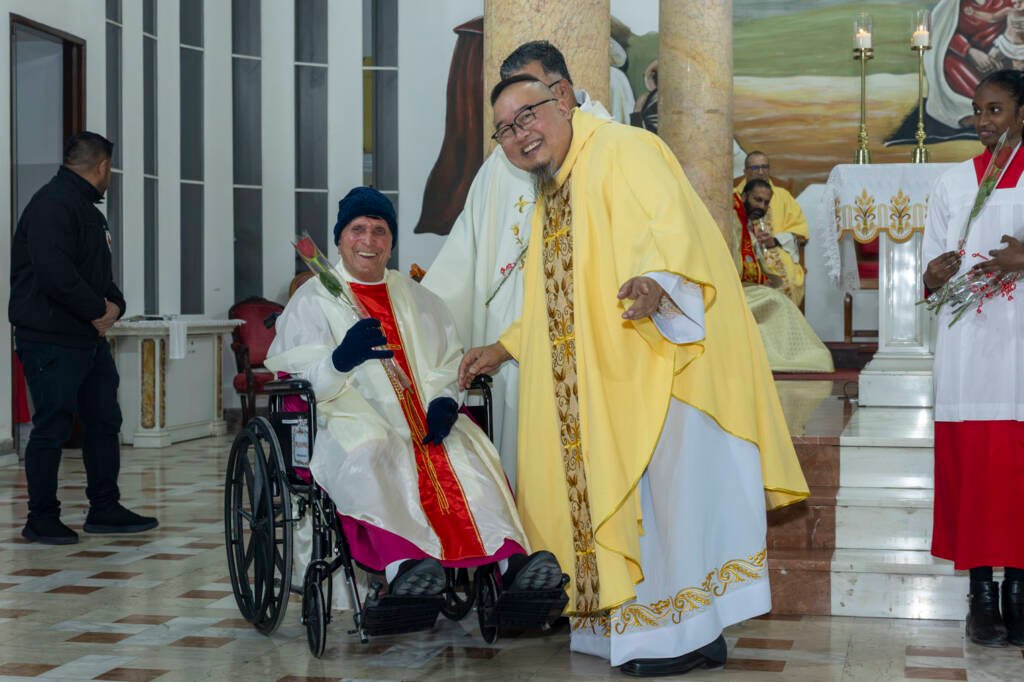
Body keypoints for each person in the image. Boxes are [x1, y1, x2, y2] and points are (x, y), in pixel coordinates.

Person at [459, 75, 809, 676]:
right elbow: (556, 297)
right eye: (505, 129)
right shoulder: (553, 189)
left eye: (528, 116)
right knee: (636, 506)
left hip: (663, 366)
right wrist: (506, 346)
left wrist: (657, 284)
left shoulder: (627, 149)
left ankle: (680, 636)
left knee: (670, 506)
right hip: (603, 379)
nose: (520, 135)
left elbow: (676, 232)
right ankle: (637, 630)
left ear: (562, 100)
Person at [265, 187, 561, 599]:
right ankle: (403, 565)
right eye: (358, 229)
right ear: (339, 239)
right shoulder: (312, 299)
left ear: (391, 243)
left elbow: (448, 363)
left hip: (423, 418)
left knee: (470, 452)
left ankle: (511, 563)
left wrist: (445, 400)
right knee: (373, 449)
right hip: (347, 416)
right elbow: (298, 380)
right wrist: (340, 360)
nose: (369, 241)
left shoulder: (420, 298)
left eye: (380, 231)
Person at [421, 41, 611, 488]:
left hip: (583, 349)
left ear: (560, 94)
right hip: (506, 355)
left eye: (528, 107)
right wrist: (419, 321)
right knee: (521, 470)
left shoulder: (607, 149)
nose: (520, 129)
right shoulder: (500, 164)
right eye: (508, 120)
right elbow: (463, 255)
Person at [9, 131, 158, 545]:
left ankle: (104, 509)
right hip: (51, 338)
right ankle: (41, 518)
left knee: (104, 421)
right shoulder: (52, 205)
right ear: (103, 167)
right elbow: (55, 274)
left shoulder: (86, 209)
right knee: (52, 426)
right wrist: (98, 310)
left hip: (86, 338)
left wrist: (115, 306)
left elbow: (97, 274)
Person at [922, 69, 1024, 648]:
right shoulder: (953, 183)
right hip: (972, 350)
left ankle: (1020, 593)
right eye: (978, 110)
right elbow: (934, 266)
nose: (983, 121)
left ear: (1022, 113)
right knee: (978, 470)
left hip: (1020, 345)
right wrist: (933, 277)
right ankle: (982, 596)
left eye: (996, 110)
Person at [734, 179, 834, 373]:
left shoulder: (749, 217)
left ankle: (790, 355)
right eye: (757, 200)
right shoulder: (733, 217)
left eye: (766, 203)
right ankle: (790, 357)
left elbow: (800, 234)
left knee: (780, 294)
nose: (761, 207)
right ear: (744, 196)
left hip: (759, 275)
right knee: (777, 300)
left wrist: (773, 244)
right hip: (737, 286)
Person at [734, 151, 809, 300]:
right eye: (755, 168)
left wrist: (774, 240)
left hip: (777, 252)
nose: (761, 172)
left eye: (764, 167)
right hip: (742, 256)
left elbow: (801, 235)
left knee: (787, 283)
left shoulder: (783, 196)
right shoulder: (734, 197)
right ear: (745, 171)